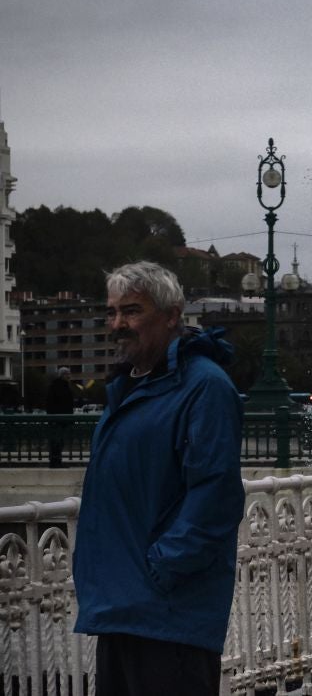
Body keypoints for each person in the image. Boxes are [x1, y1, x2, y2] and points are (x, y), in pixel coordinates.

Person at [72, 262, 244, 696]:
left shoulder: (204, 386)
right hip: (121, 603)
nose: (118, 324)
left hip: (168, 612)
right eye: (111, 313)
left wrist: (164, 568)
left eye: (131, 311)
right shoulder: (129, 388)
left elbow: (215, 495)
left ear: (172, 315)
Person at [45, 366, 76, 468]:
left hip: (58, 419)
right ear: (63, 375)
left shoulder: (55, 386)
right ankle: (56, 462)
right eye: (67, 374)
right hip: (59, 419)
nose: (69, 376)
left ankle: (55, 461)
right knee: (57, 442)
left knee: (57, 442)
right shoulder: (60, 387)